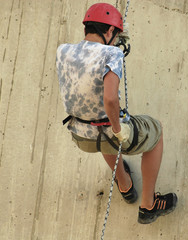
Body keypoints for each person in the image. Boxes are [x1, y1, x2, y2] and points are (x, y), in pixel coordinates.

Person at [56, 3, 177, 224]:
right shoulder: (111, 53)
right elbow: (110, 99)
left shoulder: (63, 50)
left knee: (102, 129)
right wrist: (119, 129)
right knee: (155, 132)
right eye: (116, 33)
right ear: (110, 31)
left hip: (80, 135)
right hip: (107, 132)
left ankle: (124, 184)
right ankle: (148, 205)